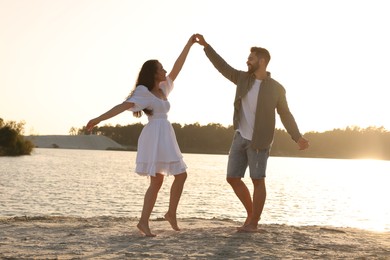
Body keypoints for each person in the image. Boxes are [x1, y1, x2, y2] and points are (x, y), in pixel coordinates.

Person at [194, 34, 309, 232]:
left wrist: (297, 137)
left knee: (257, 180)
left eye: (251, 58)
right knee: (232, 178)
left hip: (260, 142)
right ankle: (251, 215)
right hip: (239, 137)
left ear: (262, 61)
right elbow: (222, 66)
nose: (247, 61)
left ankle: (253, 223)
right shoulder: (242, 79)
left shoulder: (276, 89)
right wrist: (206, 46)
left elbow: (285, 114)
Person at [86, 35, 197, 237]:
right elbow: (122, 106)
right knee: (158, 181)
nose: (165, 71)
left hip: (166, 134)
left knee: (180, 175)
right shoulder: (143, 91)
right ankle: (144, 222)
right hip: (154, 135)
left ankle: (170, 213)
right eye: (161, 68)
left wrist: (189, 45)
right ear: (153, 73)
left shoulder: (163, 88)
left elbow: (177, 68)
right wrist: (98, 119)